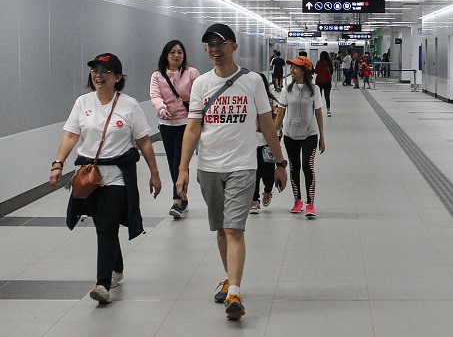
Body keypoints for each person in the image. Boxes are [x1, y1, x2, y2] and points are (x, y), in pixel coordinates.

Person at [176, 23, 287, 320]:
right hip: (210, 167)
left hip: (242, 165)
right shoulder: (201, 84)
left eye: (220, 43)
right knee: (222, 229)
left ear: (234, 47)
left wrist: (280, 162)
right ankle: (230, 278)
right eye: (209, 44)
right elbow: (193, 127)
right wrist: (183, 169)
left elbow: (267, 123)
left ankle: (235, 291)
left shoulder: (252, 81)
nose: (214, 48)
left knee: (234, 229)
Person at [49, 53, 162, 305]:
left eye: (106, 71)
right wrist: (58, 164)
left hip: (117, 178)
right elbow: (70, 136)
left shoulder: (129, 105)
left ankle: (102, 284)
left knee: (106, 227)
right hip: (89, 178)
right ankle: (117, 267)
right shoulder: (82, 102)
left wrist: (155, 173)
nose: (99, 75)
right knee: (103, 226)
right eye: (95, 71)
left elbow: (143, 140)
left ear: (118, 77)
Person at [149, 40, 200, 219]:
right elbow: (155, 95)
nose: (176, 55)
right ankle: (182, 194)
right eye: (172, 52)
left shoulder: (192, 73)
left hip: (187, 123)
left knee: (180, 161)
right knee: (172, 162)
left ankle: (177, 200)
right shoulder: (157, 75)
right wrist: (161, 109)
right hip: (166, 125)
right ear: (166, 55)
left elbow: (199, 95)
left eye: (180, 52)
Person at [274, 56, 326, 219]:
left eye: (295, 68)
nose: (291, 71)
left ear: (304, 70)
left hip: (309, 134)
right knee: (294, 168)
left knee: (307, 167)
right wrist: (273, 135)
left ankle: (310, 203)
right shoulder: (286, 90)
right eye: (291, 68)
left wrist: (322, 136)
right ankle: (298, 201)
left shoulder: (314, 90)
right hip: (290, 135)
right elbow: (281, 113)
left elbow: (318, 112)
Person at [251, 71, 279, 214]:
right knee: (254, 172)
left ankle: (268, 190)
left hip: (267, 143)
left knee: (268, 173)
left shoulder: (271, 101)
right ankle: (254, 200)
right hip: (251, 143)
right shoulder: (248, 100)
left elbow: (275, 123)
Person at [314, 50, 333, 117]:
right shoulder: (329, 63)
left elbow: (315, 71)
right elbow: (331, 72)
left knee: (318, 97)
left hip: (319, 82)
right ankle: (328, 110)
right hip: (327, 81)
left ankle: (318, 111)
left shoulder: (319, 62)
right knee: (327, 96)